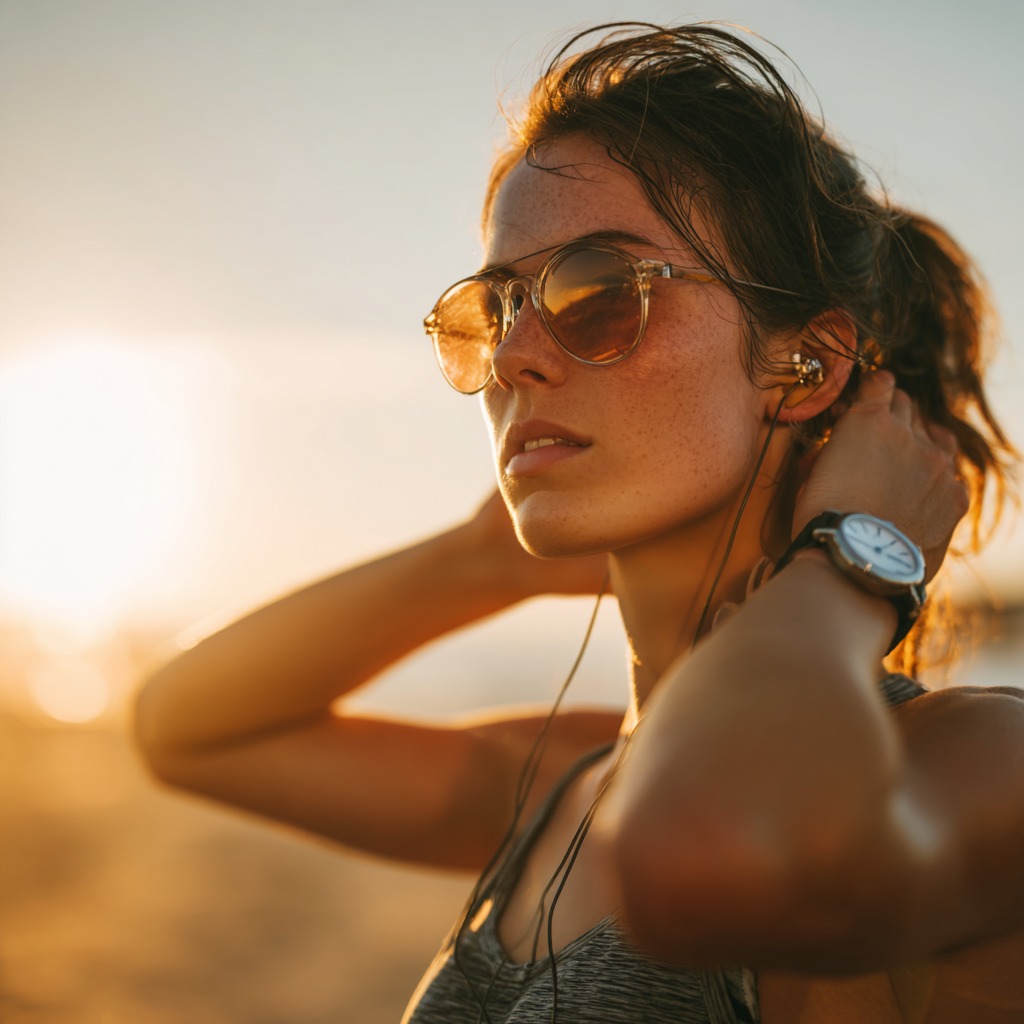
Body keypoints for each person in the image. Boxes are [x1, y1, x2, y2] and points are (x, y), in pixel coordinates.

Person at [134, 22, 1024, 1024]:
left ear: (805, 367)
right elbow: (190, 727)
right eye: (494, 308)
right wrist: (485, 556)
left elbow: (715, 848)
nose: (514, 359)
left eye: (598, 291)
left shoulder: (974, 763)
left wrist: (857, 556)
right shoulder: (568, 780)